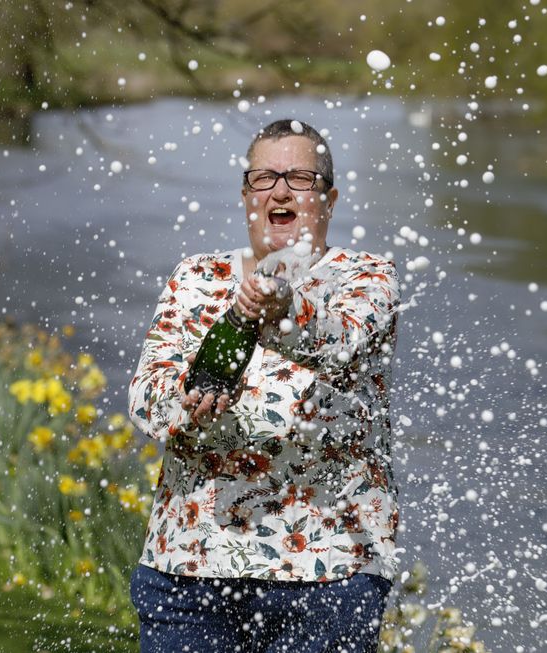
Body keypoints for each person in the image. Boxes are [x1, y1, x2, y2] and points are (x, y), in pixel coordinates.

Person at [127, 119, 401, 653]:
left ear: (329, 198)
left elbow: (340, 341)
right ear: (246, 194)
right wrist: (187, 407)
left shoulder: (367, 277)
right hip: (189, 563)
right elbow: (146, 396)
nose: (279, 191)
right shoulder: (196, 276)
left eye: (299, 178)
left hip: (330, 574)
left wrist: (283, 312)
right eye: (264, 178)